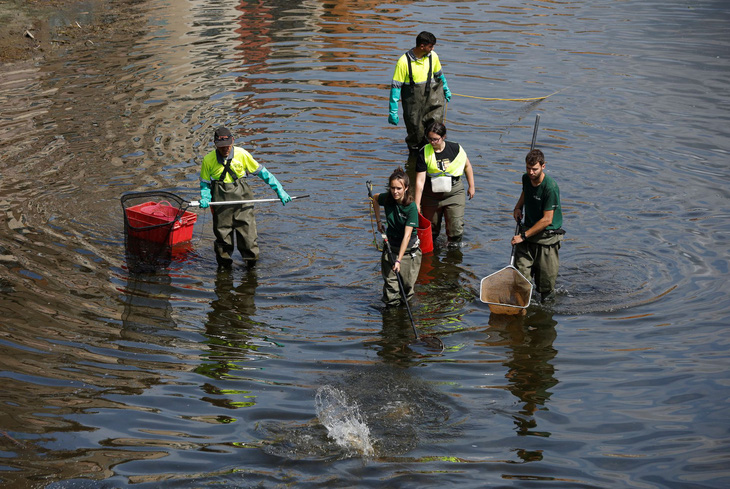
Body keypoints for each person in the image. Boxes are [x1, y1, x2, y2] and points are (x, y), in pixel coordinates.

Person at [199, 126, 292, 269]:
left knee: (248, 238)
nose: (225, 149)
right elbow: (205, 183)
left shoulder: (242, 154)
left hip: (243, 202)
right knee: (223, 239)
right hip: (221, 204)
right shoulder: (208, 160)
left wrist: (279, 189)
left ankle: (251, 267)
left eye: (227, 146)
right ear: (215, 144)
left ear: (233, 141)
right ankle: (224, 268)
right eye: (221, 146)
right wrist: (205, 197)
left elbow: (263, 173)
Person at [511, 149, 564, 303]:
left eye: (535, 169)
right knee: (521, 276)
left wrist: (523, 236)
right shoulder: (526, 178)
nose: (531, 172)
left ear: (543, 166)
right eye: (528, 168)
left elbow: (547, 219)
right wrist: (517, 207)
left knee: (545, 285)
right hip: (527, 235)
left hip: (546, 238)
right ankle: (523, 306)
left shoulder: (551, 187)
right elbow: (525, 193)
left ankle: (545, 309)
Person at [388, 31, 452, 153]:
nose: (432, 49)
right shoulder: (403, 62)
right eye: (430, 46)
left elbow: (439, 76)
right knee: (416, 134)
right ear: (422, 46)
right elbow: (396, 87)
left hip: (433, 102)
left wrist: (446, 89)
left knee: (435, 131)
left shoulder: (433, 56)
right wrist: (393, 111)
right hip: (413, 105)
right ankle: (415, 162)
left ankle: (435, 158)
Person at [415, 122, 475, 247]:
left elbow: (467, 165)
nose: (432, 142)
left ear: (443, 137)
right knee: (431, 230)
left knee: (455, 228)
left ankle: (453, 255)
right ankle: (433, 255)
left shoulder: (456, 149)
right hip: (431, 194)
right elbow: (420, 181)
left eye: (435, 139)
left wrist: (471, 186)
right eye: (429, 139)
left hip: (454, 192)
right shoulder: (423, 152)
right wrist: (417, 204)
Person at [372, 167, 422, 306]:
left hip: (407, 252)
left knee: (406, 290)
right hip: (390, 248)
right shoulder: (388, 198)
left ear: (406, 188)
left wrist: (399, 260)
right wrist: (378, 221)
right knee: (390, 289)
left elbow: (407, 236)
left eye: (399, 188)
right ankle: (390, 318)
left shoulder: (411, 207)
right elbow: (375, 198)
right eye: (392, 188)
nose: (395, 192)